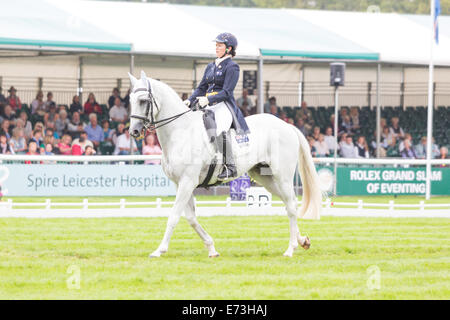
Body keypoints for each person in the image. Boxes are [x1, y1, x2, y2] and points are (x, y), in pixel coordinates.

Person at [184, 32, 250, 180]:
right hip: (206, 104)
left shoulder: (232, 67)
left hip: (223, 105)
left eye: (220, 45)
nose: (217, 47)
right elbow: (201, 87)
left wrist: (209, 99)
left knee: (219, 129)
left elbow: (227, 92)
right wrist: (190, 100)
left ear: (228, 49)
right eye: (216, 45)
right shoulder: (210, 66)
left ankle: (230, 166)